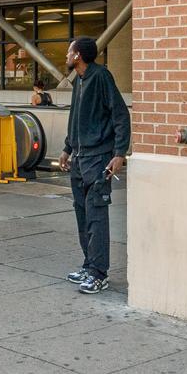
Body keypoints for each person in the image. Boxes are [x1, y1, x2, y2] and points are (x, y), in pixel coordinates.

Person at [57, 36, 130, 295]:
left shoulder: (101, 77)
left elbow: (120, 114)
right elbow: (75, 117)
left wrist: (119, 153)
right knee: (82, 214)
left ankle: (99, 273)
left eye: (69, 51)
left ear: (77, 55)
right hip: (79, 157)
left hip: (98, 158)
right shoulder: (79, 81)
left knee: (96, 215)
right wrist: (67, 148)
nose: (66, 56)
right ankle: (89, 265)